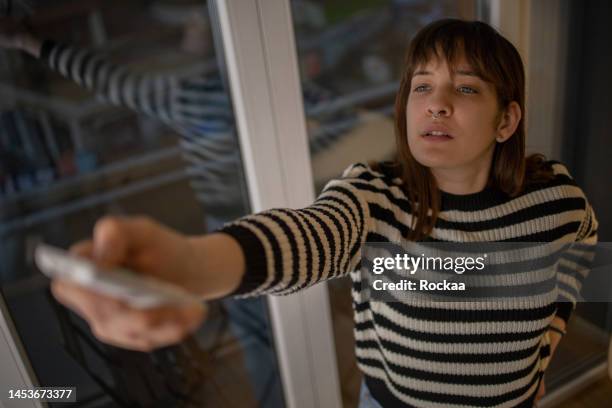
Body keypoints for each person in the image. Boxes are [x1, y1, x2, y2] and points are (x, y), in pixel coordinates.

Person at [44, 18, 598, 407]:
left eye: (467, 88)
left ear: (506, 122)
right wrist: (189, 263)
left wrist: (547, 340)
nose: (436, 101)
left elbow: (578, 256)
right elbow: (311, 237)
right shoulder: (377, 198)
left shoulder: (556, 204)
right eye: (422, 85)